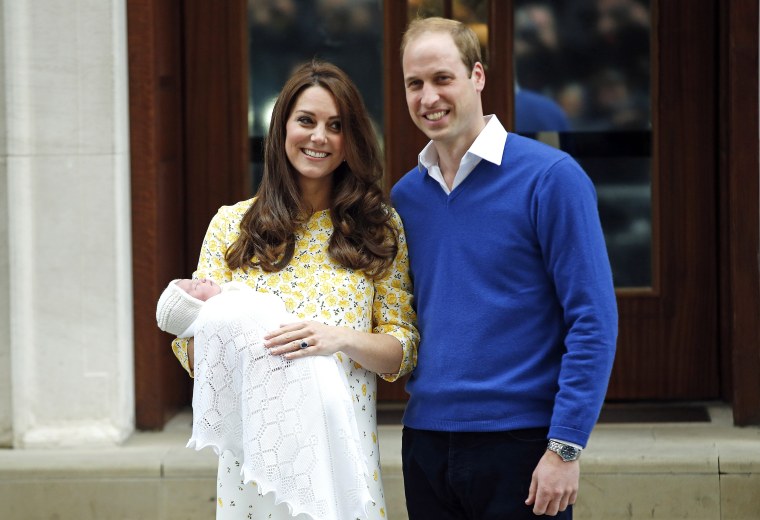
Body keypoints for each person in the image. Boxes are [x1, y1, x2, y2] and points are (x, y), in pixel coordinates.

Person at [169, 59, 419, 520]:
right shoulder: (232, 225)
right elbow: (191, 349)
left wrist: (339, 338)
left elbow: (402, 349)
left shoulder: (379, 229)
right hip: (253, 463)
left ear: (352, 140)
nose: (318, 137)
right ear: (282, 129)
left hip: (343, 455)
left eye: (335, 125)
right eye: (306, 121)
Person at [390, 17, 618, 519]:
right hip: (425, 442)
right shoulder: (406, 197)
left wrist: (565, 448)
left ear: (478, 76)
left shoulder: (551, 179)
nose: (429, 97)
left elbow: (593, 320)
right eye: (415, 83)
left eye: (442, 78)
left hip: (522, 446)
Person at [157, 278, 372, 519]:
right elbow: (191, 347)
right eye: (193, 289)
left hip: (335, 401)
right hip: (272, 423)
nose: (199, 280)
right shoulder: (221, 307)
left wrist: (342, 337)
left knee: (332, 476)